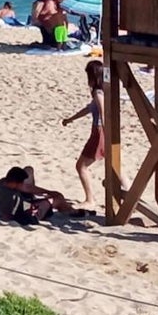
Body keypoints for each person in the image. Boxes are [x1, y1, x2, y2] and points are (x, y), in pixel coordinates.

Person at [62, 60, 106, 208]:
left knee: (81, 166)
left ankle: (90, 199)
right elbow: (89, 109)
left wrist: (105, 132)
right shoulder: (105, 90)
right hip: (104, 132)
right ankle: (130, 194)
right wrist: (71, 119)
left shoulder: (97, 92)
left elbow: (102, 112)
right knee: (114, 165)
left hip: (99, 132)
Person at [0, 166, 79, 224]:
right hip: (27, 215)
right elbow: (7, 216)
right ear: (16, 183)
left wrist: (48, 192)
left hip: (18, 204)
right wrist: (30, 208)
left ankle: (68, 209)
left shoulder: (1, 183)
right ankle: (71, 212)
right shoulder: (12, 197)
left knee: (28, 169)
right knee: (57, 199)